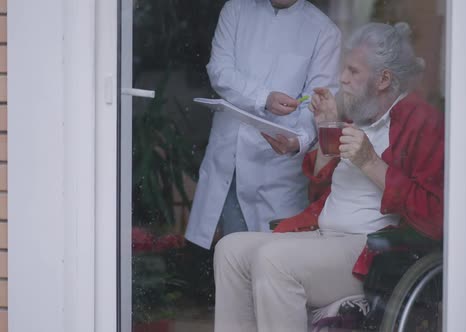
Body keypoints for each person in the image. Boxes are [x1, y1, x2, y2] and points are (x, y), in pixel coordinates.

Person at [213, 22, 445, 332]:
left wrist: (371, 163)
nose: (341, 78)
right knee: (230, 251)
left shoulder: (423, 122)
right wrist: (326, 128)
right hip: (325, 236)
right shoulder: (359, 114)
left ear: (383, 79)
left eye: (352, 71)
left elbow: (434, 216)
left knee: (273, 260)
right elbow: (320, 189)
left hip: (373, 251)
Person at [185, 0, 341, 249]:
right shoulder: (236, 10)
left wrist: (298, 140)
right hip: (229, 159)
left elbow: (318, 100)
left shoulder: (324, 30)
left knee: (273, 262)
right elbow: (219, 71)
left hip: (277, 168)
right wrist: (264, 98)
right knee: (230, 257)